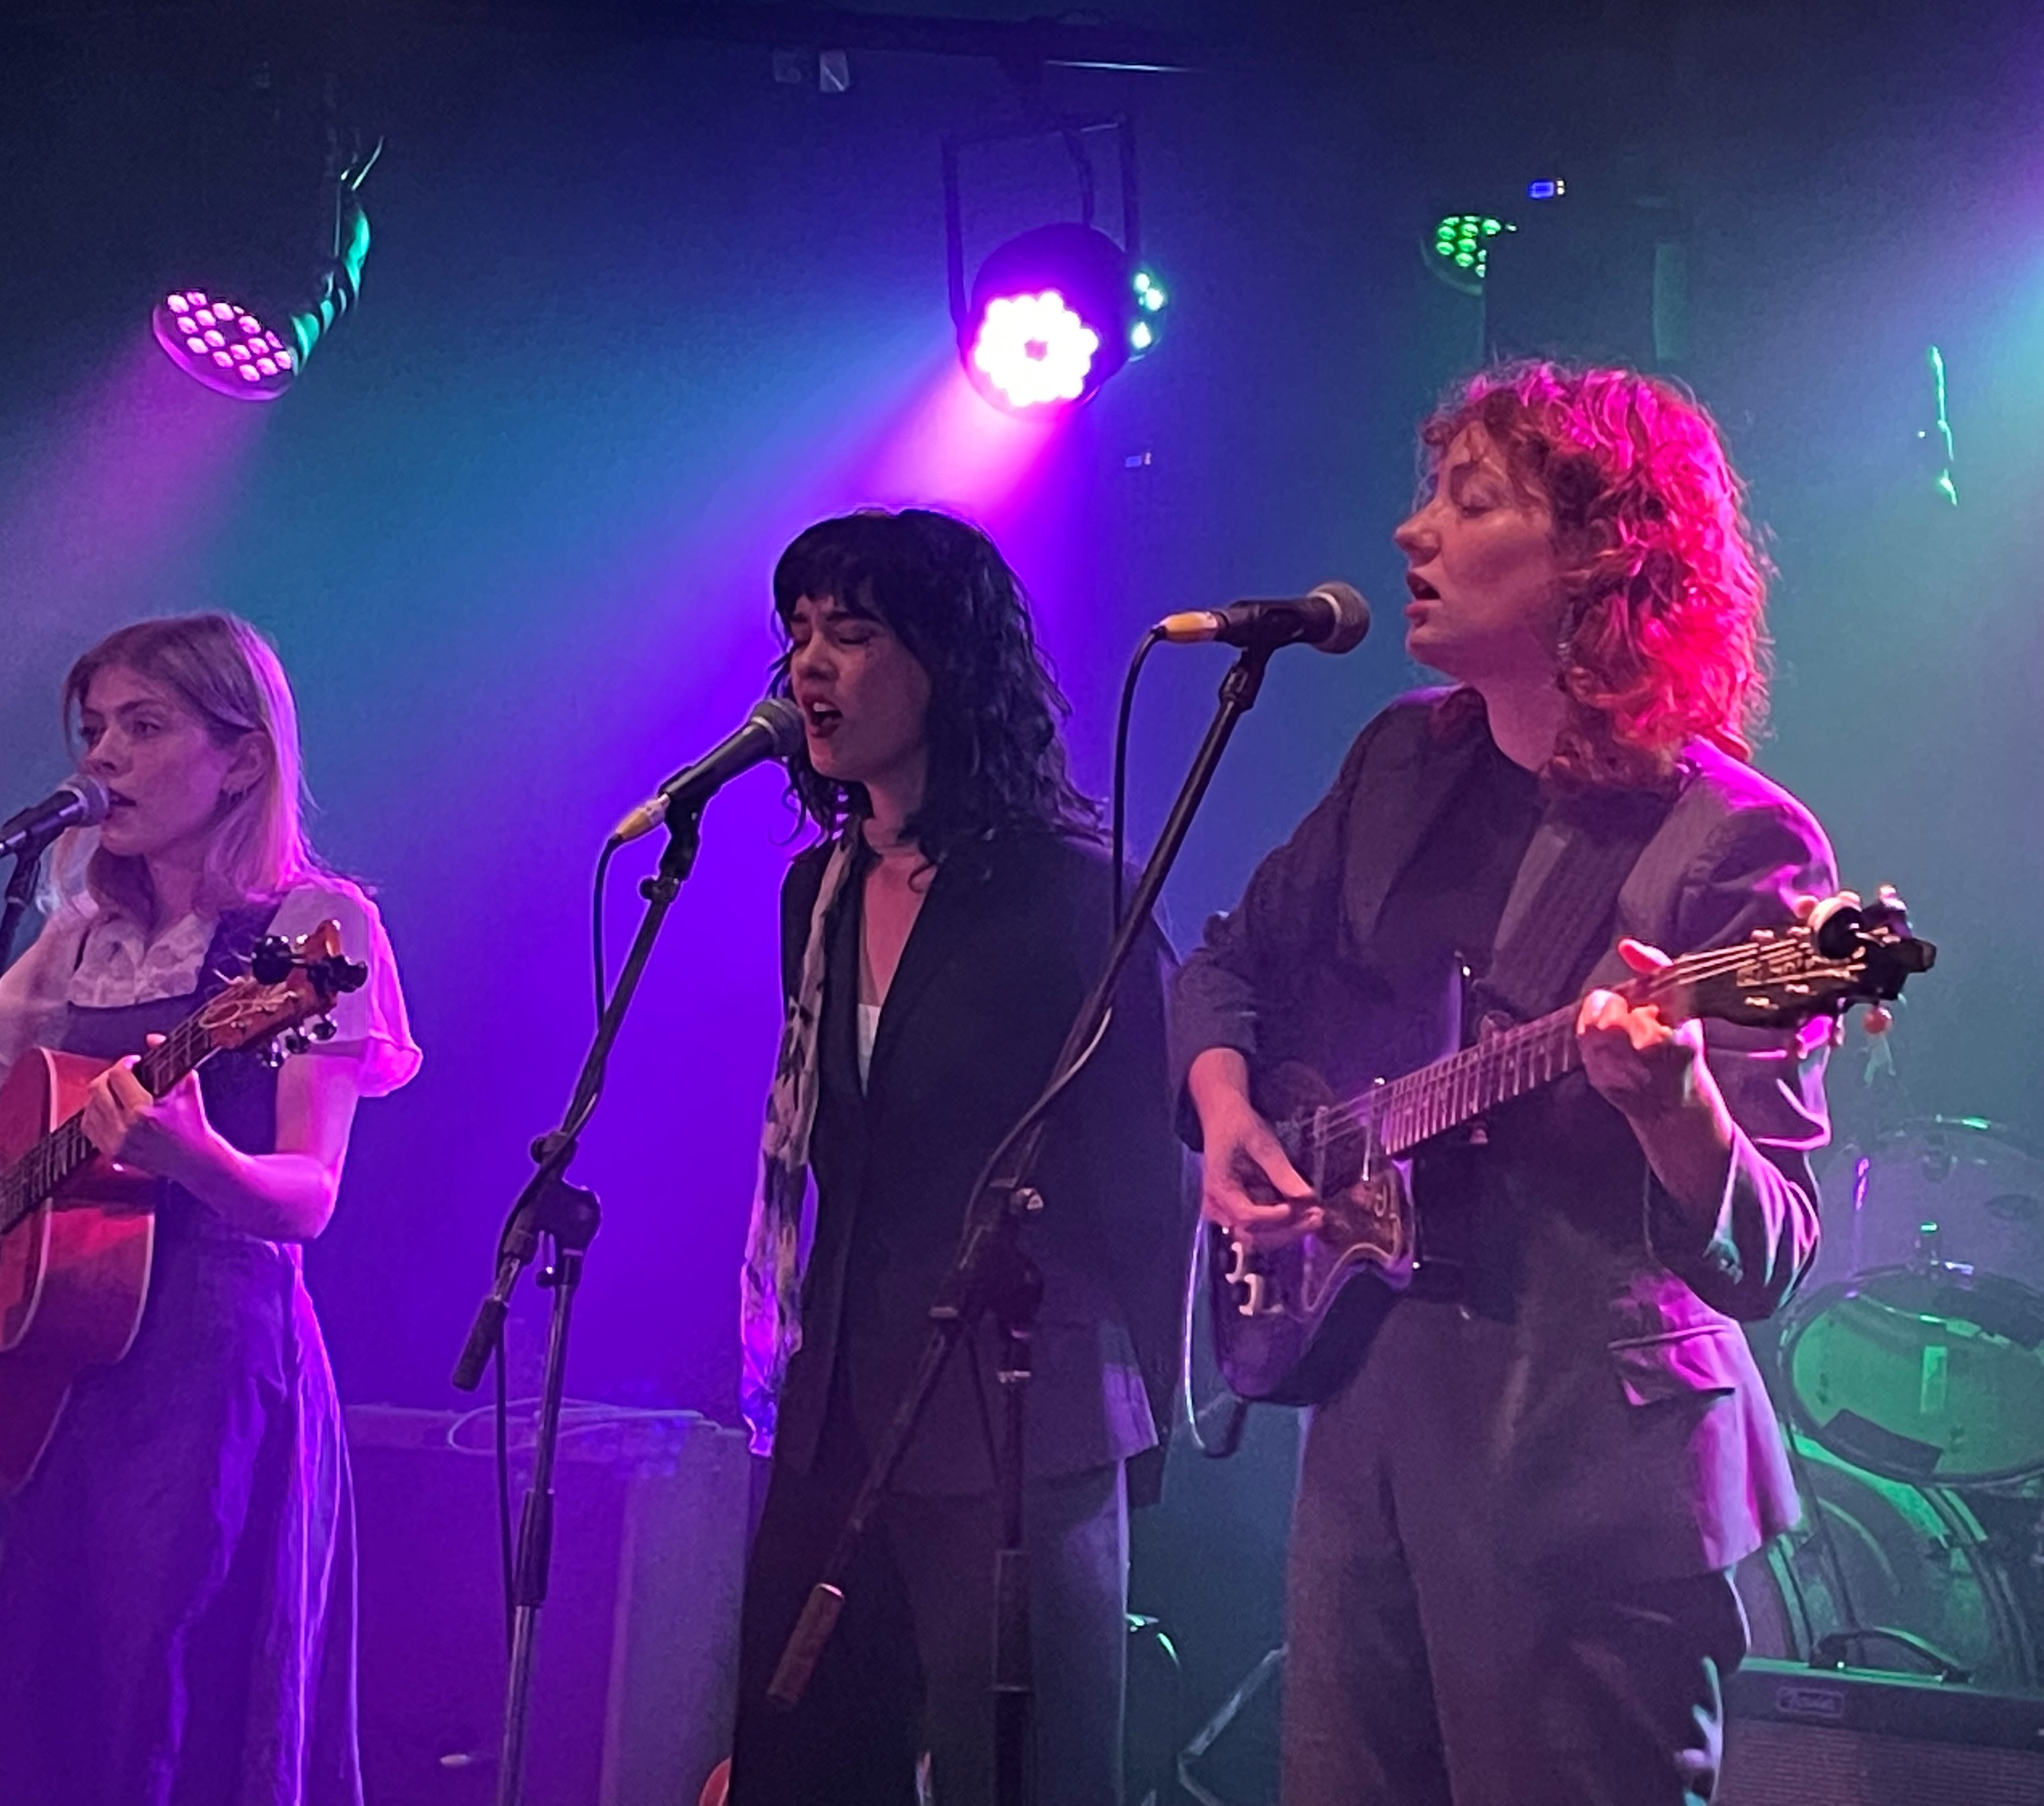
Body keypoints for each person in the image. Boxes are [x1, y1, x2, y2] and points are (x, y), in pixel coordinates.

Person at [1173, 363, 1835, 1803]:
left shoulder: (1731, 847)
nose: (1414, 534)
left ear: (1602, 561)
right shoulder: (1403, 762)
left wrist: (1678, 1107)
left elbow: (1776, 1241)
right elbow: (1227, 964)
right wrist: (1228, 1113)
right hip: (1368, 1432)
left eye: (1472, 502)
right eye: (1429, 495)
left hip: (1589, 1479)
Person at [0, 613, 419, 1806]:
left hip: (210, 1367)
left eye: (144, 728)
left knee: (161, 1684)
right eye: (94, 729)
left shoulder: (311, 933)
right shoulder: (74, 943)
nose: (102, 758)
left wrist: (195, 1157)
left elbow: (310, 1198)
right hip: (58, 1373)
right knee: (41, 1696)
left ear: (243, 757)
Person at [725, 508, 1191, 1806]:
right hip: (835, 1418)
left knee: (1022, 1781)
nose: (811, 668)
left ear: (950, 665)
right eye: (800, 635)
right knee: (797, 1763)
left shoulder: (1075, 890)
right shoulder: (810, 894)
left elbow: (1149, 1179)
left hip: (1017, 1425)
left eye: (854, 636)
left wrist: (1131, 1424)